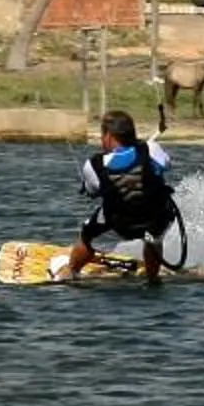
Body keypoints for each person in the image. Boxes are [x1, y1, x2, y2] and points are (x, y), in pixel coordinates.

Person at [55, 109, 177, 283]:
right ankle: (152, 277)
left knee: (87, 235)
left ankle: (71, 271)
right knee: (153, 237)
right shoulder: (150, 149)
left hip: (122, 225)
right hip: (157, 219)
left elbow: (92, 191)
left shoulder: (94, 164)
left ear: (109, 136)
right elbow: (166, 164)